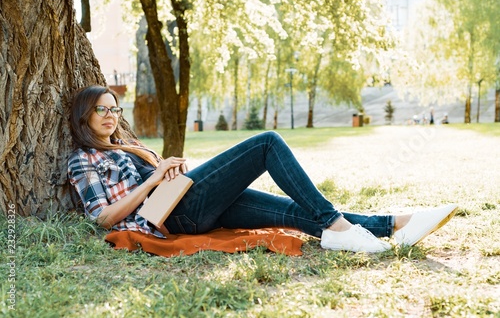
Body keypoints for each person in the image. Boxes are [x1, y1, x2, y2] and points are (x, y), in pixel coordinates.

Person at [68, 85, 458, 253]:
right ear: (84, 114)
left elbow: (154, 184)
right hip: (175, 217)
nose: (110, 115)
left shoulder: (127, 146)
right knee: (267, 142)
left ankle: (397, 225)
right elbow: (103, 218)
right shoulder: (83, 159)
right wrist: (154, 177)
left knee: (290, 212)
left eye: (114, 108)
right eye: (101, 108)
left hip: (186, 200)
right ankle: (338, 229)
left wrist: (164, 170)